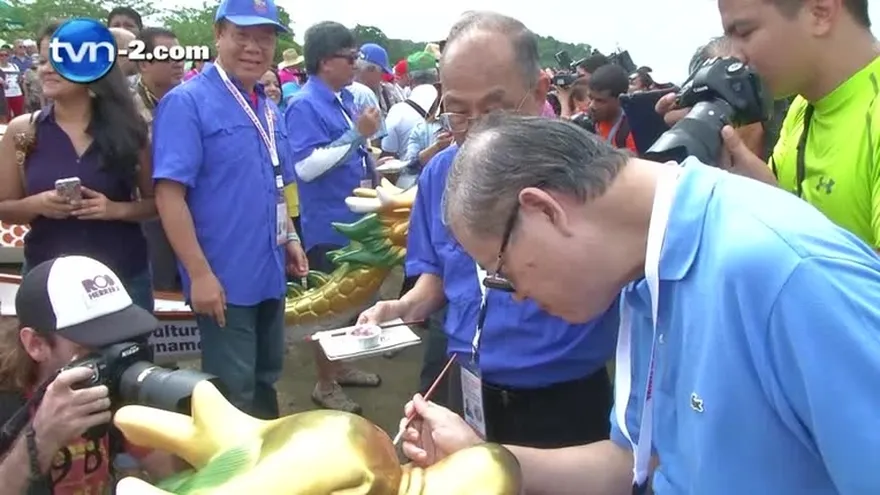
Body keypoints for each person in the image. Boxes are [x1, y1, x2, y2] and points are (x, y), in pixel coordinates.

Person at [399, 113, 880, 494]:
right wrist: (482, 459)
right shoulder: (641, 275)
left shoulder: (786, 272)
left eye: (500, 272)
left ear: (544, 210)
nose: (516, 295)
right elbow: (634, 462)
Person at [360, 11, 617, 449]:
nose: (478, 133)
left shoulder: (592, 177)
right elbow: (437, 279)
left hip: (563, 400)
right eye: (458, 114)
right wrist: (400, 309)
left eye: (495, 112)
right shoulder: (440, 174)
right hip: (469, 387)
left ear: (539, 92)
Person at [152, 0, 308, 419]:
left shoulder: (270, 109)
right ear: (218, 34)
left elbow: (277, 182)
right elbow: (169, 195)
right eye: (243, 35)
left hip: (269, 271)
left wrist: (291, 236)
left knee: (266, 377)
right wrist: (200, 274)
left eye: (265, 38)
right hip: (223, 279)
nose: (255, 47)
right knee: (231, 391)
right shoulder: (187, 102)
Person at [660, 0, 880, 250]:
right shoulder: (802, 106)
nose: (736, 56)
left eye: (744, 33)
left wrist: (780, 211)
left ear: (820, 13)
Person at [0, 20, 155, 312]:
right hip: (48, 279)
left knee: (124, 357)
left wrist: (115, 210)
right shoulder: (23, 132)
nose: (46, 69)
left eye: (60, 60)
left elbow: (156, 202)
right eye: (43, 60)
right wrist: (39, 204)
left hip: (121, 277)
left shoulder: (130, 130)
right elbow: (4, 206)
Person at [0, 255, 179, 493]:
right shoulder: (7, 400)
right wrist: (42, 438)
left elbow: (172, 469)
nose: (113, 356)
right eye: (92, 346)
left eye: (123, 338)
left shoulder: (109, 382)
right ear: (36, 344)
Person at [285, 21, 383, 413]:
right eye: (350, 57)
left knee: (349, 304)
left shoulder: (339, 99)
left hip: (351, 218)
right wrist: (357, 136)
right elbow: (305, 167)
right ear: (326, 61)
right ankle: (325, 383)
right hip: (328, 223)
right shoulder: (304, 104)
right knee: (329, 308)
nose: (355, 65)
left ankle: (339, 367)